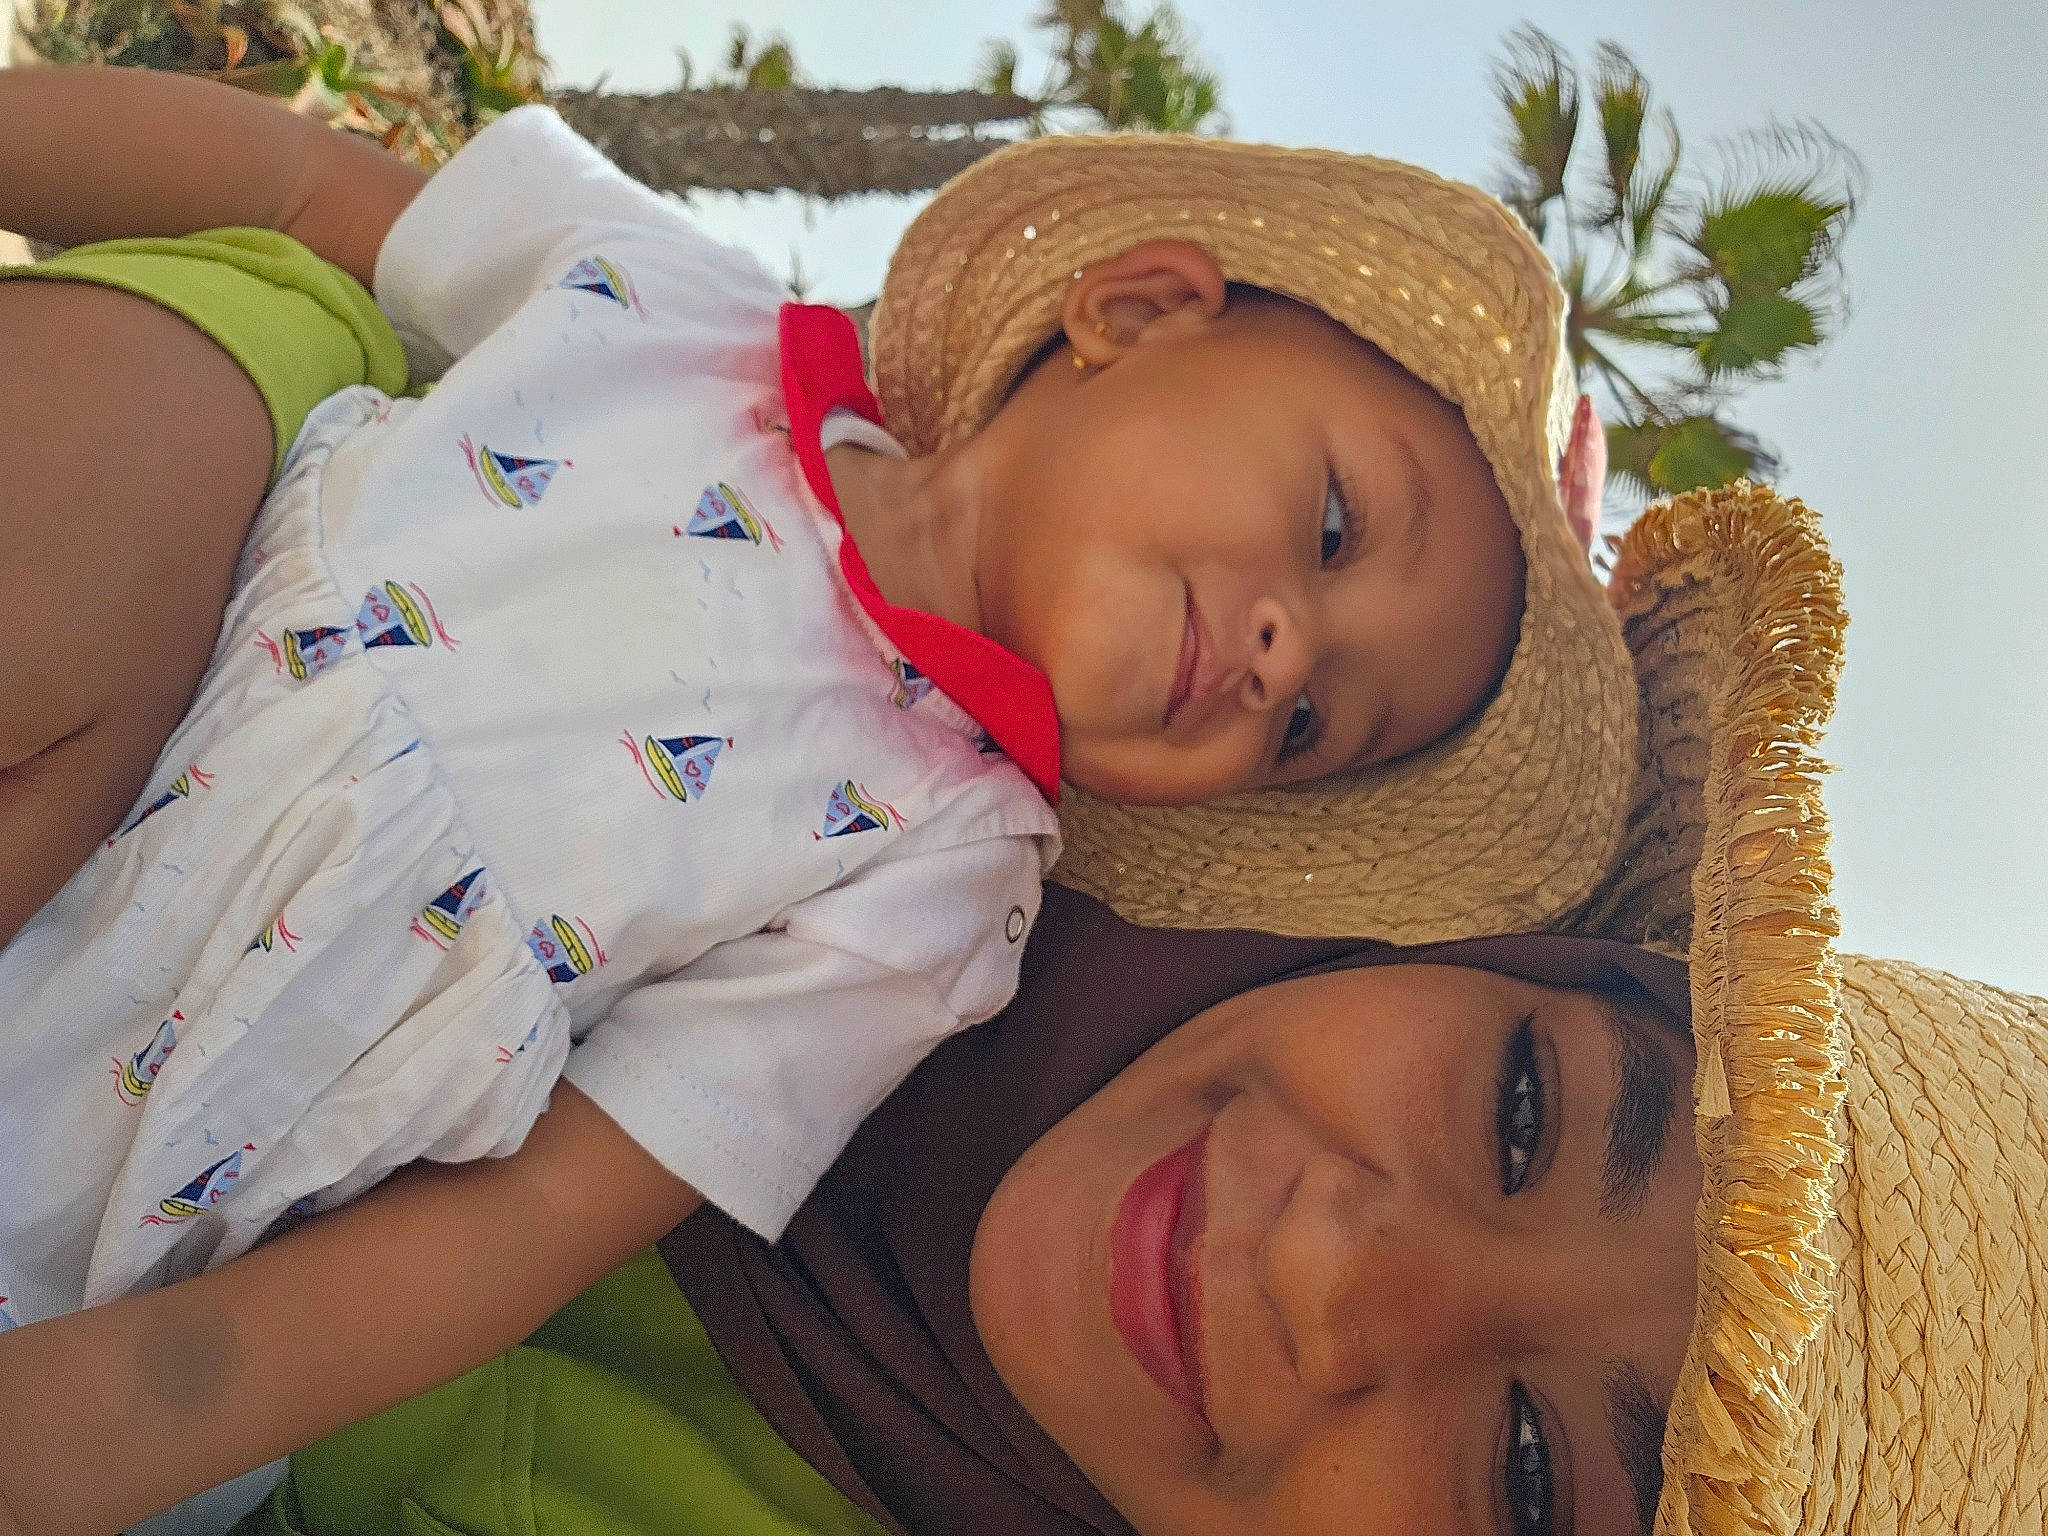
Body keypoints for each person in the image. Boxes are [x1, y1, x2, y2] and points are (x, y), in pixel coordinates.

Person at [0, 65, 1638, 1529]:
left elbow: (543, 1210)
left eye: (1314, 733)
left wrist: (124, 1416)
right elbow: (298, 184)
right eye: (1339, 526)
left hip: (77, 1186)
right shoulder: (665, 308)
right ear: (1136, 309)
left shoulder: (940, 881)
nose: (1288, 658)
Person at [233, 485, 2047, 1536]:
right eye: (1521, 1112)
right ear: (1500, 956)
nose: (1342, 1280)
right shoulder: (985, 711)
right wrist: (212, 377)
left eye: (1525, 1480)